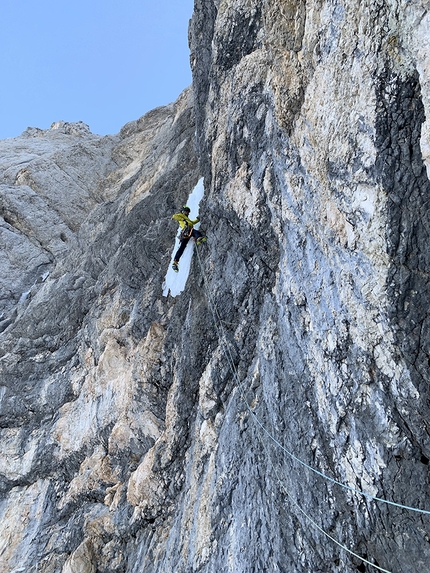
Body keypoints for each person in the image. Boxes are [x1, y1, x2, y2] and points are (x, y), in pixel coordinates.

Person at [171, 205, 206, 272]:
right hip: (187, 230)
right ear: (184, 211)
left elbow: (192, 222)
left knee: (182, 247)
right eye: (187, 212)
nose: (188, 213)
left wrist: (198, 219)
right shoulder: (181, 215)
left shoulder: (187, 219)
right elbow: (174, 216)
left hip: (185, 233)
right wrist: (183, 219)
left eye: (188, 212)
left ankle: (175, 262)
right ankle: (199, 239)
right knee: (195, 232)